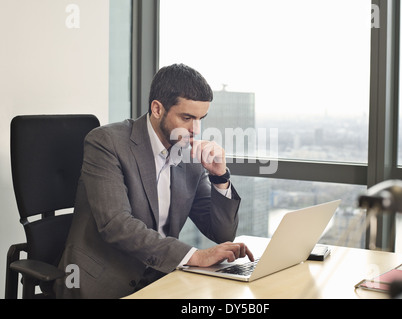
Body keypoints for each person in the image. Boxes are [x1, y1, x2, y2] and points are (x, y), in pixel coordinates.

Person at [55, 63, 253, 299]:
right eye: (187, 117)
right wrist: (194, 256)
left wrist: (220, 177)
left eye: (201, 118)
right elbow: (116, 224)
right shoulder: (106, 143)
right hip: (104, 281)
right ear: (157, 109)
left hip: (161, 277)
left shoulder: (187, 156)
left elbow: (222, 233)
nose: (196, 130)